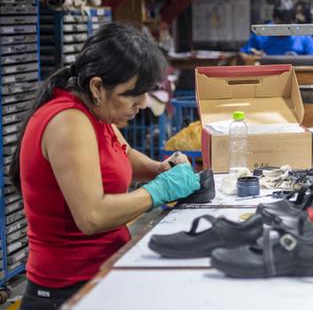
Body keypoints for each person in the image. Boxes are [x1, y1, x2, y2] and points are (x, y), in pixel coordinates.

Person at [13, 24, 201, 309]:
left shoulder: (97, 112)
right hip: (68, 292)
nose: (142, 103)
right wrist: (158, 191)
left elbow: (121, 154)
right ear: (97, 86)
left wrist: (160, 169)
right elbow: (92, 217)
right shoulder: (68, 122)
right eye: (132, 93)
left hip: (100, 272)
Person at [240, 0, 313, 58]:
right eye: (280, 25)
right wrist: (253, 56)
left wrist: (298, 59)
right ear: (274, 19)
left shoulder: (302, 35)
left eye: (287, 26)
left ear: (293, 21)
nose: (284, 30)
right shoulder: (262, 33)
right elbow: (243, 54)